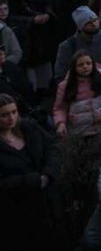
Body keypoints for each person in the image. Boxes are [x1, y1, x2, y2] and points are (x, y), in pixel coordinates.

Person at [0, 93, 62, 251]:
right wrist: (34, 180)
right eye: (4, 115)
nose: (11, 118)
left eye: (14, 112)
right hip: (16, 211)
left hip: (48, 203)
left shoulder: (29, 127)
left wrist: (48, 173)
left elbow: (52, 148)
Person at [52, 50, 101, 139]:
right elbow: (60, 108)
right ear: (74, 67)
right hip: (79, 132)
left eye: (88, 63)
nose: (85, 67)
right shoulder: (65, 86)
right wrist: (61, 123)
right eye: (81, 65)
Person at [55, 6, 101, 89]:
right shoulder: (68, 46)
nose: (94, 24)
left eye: (95, 20)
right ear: (80, 26)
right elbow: (60, 74)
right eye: (89, 22)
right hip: (81, 96)